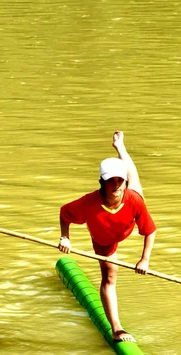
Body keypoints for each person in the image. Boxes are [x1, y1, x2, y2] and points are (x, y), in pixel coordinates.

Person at [58, 131, 156, 343]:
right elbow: (64, 213)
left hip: (127, 222)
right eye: (111, 181)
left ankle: (121, 148)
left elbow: (150, 230)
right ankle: (117, 329)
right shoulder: (88, 203)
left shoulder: (133, 199)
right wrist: (65, 237)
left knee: (136, 180)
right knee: (109, 277)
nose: (116, 186)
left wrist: (144, 259)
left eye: (120, 181)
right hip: (105, 239)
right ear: (102, 182)